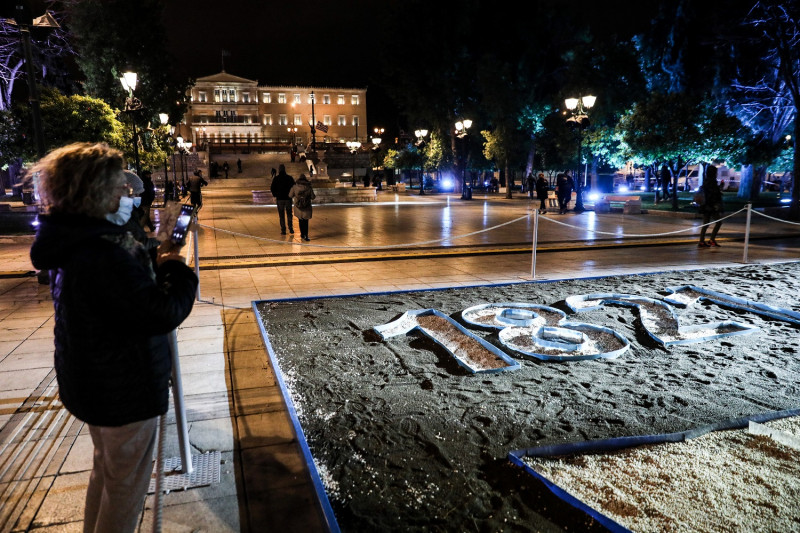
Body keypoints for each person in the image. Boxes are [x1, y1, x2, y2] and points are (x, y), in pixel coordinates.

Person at [28, 142, 198, 533]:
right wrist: (177, 266)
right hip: (124, 390)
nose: (127, 194)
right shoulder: (100, 252)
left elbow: (122, 294)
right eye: (118, 186)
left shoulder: (78, 238)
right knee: (125, 487)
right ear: (95, 192)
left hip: (95, 382)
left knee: (106, 472)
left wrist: (156, 252)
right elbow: (160, 311)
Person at [698, 164, 724, 248]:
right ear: (713, 173)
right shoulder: (711, 182)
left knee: (706, 223)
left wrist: (720, 187)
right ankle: (711, 240)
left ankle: (702, 241)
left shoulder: (706, 181)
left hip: (706, 206)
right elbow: (713, 194)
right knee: (718, 222)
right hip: (711, 206)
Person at [289, 173, 316, 241]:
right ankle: (306, 235)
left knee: (300, 220)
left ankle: (302, 234)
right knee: (306, 221)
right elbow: (313, 197)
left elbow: (290, 195)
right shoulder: (309, 187)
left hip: (298, 207)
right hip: (307, 206)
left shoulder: (295, 187)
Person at [270, 163, 295, 235]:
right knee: (289, 214)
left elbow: (272, 188)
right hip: (288, 199)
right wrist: (292, 195)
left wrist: (275, 195)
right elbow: (294, 186)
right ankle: (291, 228)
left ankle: (283, 230)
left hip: (280, 199)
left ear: (279, 170)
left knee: (281, 215)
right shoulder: (289, 178)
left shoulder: (276, 178)